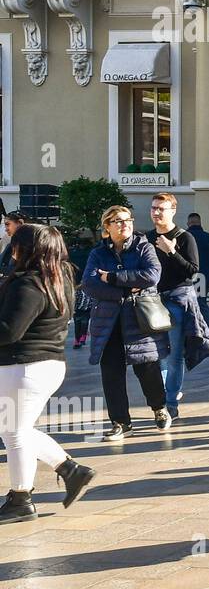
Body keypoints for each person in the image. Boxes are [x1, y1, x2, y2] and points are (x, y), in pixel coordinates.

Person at [0, 224, 97, 524]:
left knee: (14, 433)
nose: (11, 251)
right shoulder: (59, 278)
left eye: (14, 244)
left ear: (25, 249)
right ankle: (69, 471)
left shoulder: (28, 284)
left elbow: (8, 331)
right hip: (45, 365)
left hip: (23, 366)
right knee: (19, 430)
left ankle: (21, 498)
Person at [83, 205, 172, 440]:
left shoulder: (143, 247)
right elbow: (91, 284)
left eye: (128, 220)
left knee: (147, 367)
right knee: (111, 372)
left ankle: (159, 407)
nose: (125, 225)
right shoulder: (98, 253)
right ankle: (120, 422)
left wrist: (112, 277)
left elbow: (152, 275)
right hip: (108, 321)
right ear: (107, 227)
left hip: (139, 318)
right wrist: (124, 292)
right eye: (119, 221)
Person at [147, 193, 202, 421]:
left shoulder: (185, 237)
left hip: (177, 299)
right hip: (151, 301)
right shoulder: (146, 237)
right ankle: (161, 400)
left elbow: (192, 271)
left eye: (161, 208)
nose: (156, 212)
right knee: (155, 354)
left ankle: (169, 403)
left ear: (173, 211)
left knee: (174, 355)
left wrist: (171, 251)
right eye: (153, 208)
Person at [186, 213, 209, 332]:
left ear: (188, 223)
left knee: (194, 304)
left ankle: (203, 332)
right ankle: (207, 331)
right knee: (201, 303)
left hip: (190, 277)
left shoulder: (184, 236)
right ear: (200, 222)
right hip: (205, 277)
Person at [0, 211, 27, 278]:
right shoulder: (6, 239)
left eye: (7, 224)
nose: (6, 229)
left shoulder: (31, 244)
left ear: (20, 223)